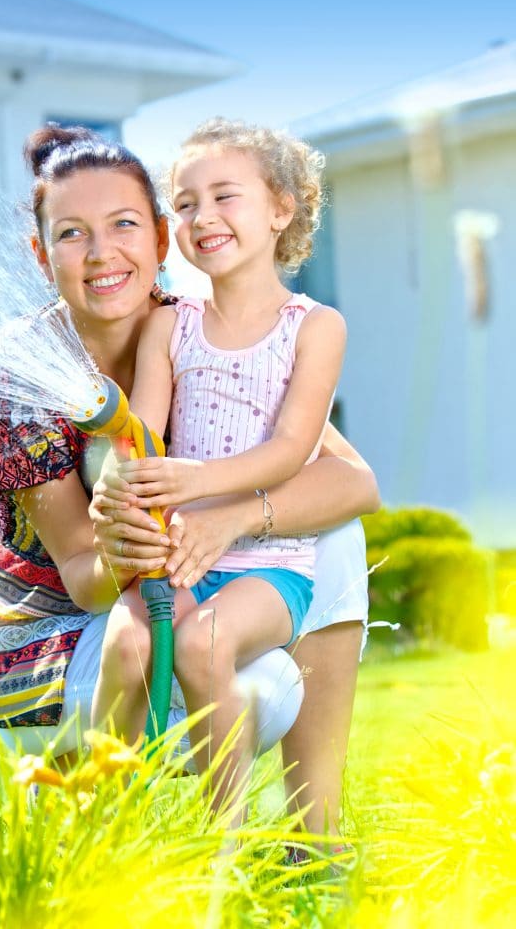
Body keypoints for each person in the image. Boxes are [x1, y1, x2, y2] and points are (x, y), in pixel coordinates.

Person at [0, 124, 378, 834]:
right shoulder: (21, 369)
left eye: (123, 225)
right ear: (40, 254)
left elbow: (349, 481)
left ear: (158, 236)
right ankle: (102, 837)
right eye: (70, 234)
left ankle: (315, 838)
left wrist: (232, 517)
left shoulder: (196, 331)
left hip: (177, 598)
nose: (100, 254)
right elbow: (89, 580)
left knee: (331, 531)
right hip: (46, 651)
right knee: (233, 672)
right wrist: (132, 529)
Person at [90, 118, 373, 837]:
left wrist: (195, 480)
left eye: (225, 197)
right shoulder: (170, 325)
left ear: (281, 208)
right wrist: (125, 478)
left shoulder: (314, 328)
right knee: (127, 646)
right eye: (184, 205)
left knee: (202, 646)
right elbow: (143, 437)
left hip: (269, 568)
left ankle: (225, 844)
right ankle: (101, 829)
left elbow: (290, 450)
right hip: (179, 555)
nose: (202, 217)